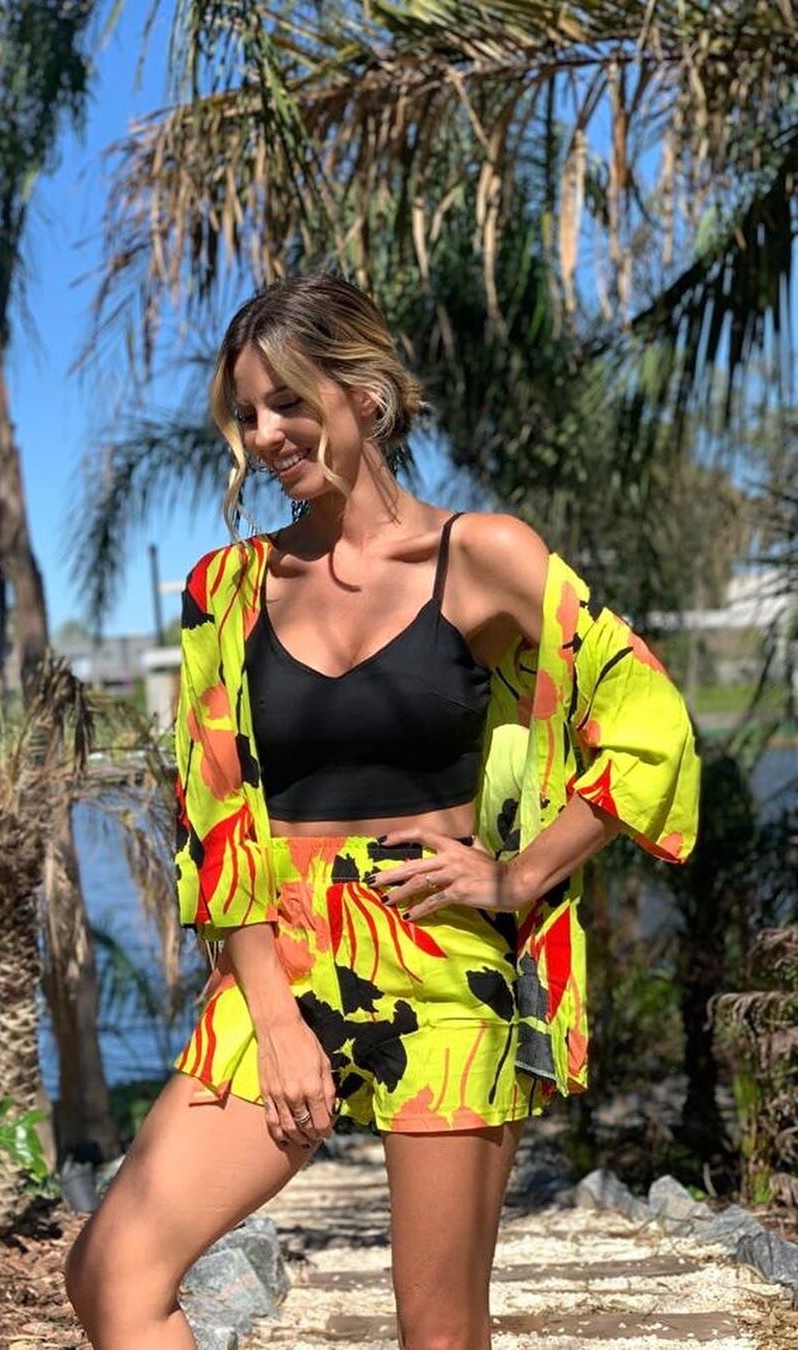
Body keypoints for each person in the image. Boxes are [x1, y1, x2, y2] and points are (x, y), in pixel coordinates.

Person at [64, 274, 700, 1350]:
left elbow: (649, 725)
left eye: (288, 402)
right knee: (113, 1274)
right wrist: (274, 1018)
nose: (265, 434)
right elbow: (214, 815)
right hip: (278, 953)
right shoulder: (228, 588)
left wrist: (518, 874)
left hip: (442, 954)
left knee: (440, 1331)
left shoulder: (483, 556)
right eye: (247, 413)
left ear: (364, 393)